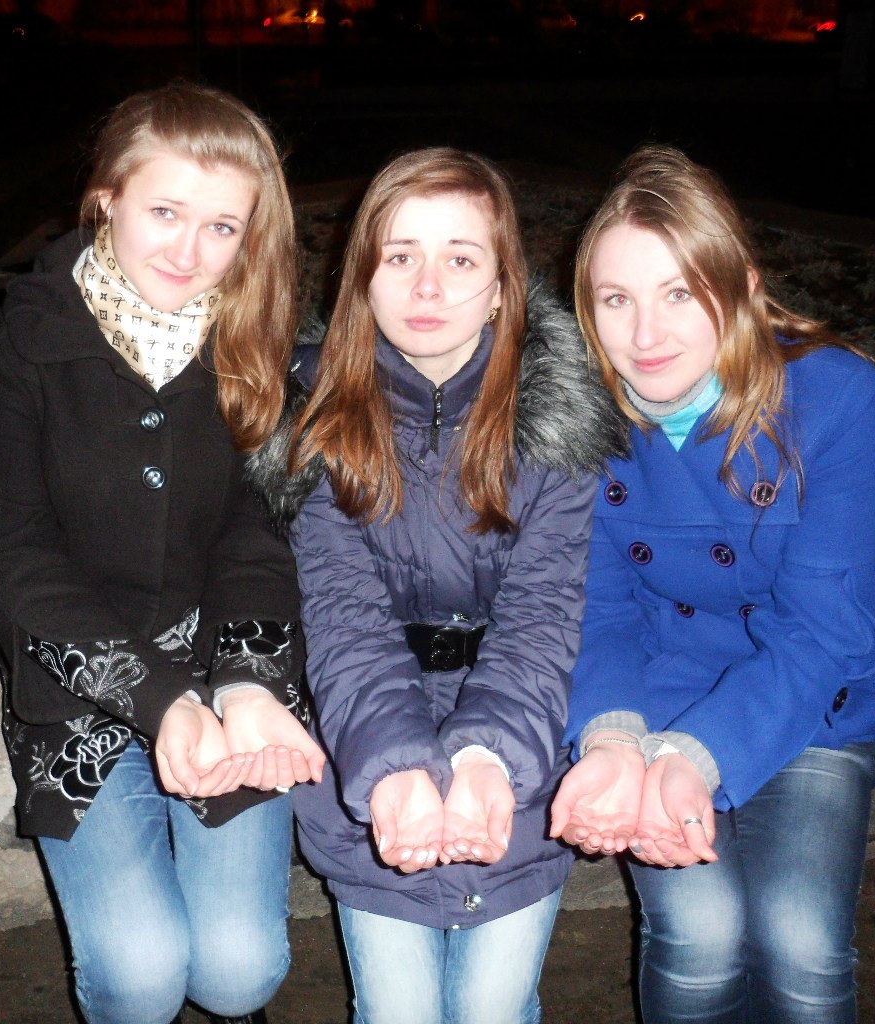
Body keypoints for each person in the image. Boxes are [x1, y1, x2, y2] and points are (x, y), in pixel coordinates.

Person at [0, 82, 325, 1024]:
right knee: (142, 976)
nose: (188, 251)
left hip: (222, 670)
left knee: (239, 974)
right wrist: (158, 699)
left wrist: (248, 684)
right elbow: (8, 550)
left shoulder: (256, 341)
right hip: (75, 684)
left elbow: (257, 528)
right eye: (165, 211)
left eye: (222, 227)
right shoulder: (16, 342)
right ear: (107, 197)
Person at [248, 147, 626, 1024]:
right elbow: (342, 618)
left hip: (525, 727)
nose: (427, 287)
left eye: (460, 258)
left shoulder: (558, 421)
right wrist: (394, 771)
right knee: (398, 1008)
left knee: (494, 1005)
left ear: (501, 287)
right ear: (361, 278)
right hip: (365, 721)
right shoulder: (316, 420)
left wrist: (488, 759)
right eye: (399, 256)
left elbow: (544, 613)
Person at [550, 144, 875, 1024]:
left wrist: (697, 758)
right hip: (652, 696)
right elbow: (596, 610)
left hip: (811, 703)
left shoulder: (833, 397)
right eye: (616, 300)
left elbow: (824, 629)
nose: (646, 336)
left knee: (801, 942)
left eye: (680, 294)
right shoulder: (572, 414)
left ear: (742, 288)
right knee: (701, 937)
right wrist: (614, 743)